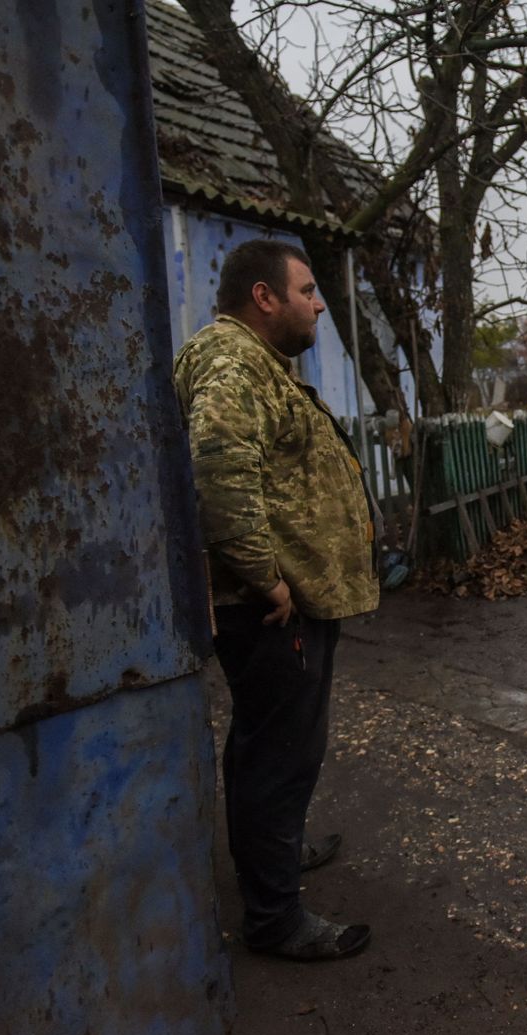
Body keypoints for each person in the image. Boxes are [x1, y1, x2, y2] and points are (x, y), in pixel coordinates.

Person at [173, 239, 378, 961]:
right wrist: (268, 578)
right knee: (277, 756)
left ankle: (276, 858)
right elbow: (219, 476)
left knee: (275, 748)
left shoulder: (254, 365)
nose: (319, 302)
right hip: (268, 606)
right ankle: (275, 920)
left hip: (289, 599)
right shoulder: (231, 364)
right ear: (264, 297)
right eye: (307, 289)